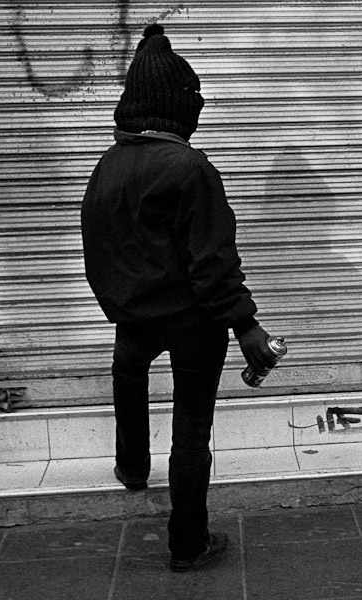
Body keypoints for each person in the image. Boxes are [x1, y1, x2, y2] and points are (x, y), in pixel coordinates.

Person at [80, 23, 278, 572]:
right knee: (191, 430)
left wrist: (125, 308)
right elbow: (211, 263)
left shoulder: (107, 166)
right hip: (193, 323)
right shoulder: (190, 168)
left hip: (133, 318)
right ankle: (188, 544)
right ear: (177, 108)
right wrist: (247, 327)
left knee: (128, 374)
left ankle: (132, 466)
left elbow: (97, 250)